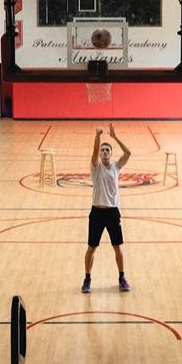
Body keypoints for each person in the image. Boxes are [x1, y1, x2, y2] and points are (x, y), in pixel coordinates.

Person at [82, 123, 131, 293]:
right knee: (91, 248)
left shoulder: (116, 167)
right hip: (96, 212)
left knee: (117, 247)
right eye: (102, 150)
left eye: (107, 150)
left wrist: (115, 137)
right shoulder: (96, 167)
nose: (104, 152)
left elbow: (128, 153)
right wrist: (98, 136)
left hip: (112, 212)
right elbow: (94, 152)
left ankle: (122, 277)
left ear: (111, 154)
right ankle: (87, 278)